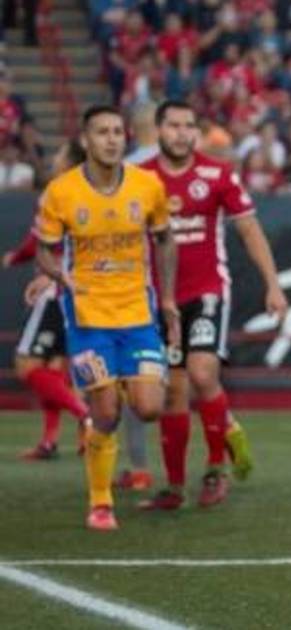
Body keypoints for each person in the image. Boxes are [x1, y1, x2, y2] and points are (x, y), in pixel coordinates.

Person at [34, 105, 181, 531]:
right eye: (102, 132)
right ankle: (101, 503)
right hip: (88, 315)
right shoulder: (62, 192)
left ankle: (118, 382)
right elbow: (44, 249)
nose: (112, 139)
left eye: (118, 132)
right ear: (86, 140)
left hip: (137, 311)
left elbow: (165, 240)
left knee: (149, 408)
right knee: (106, 414)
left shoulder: (147, 185)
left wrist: (167, 299)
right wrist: (57, 274)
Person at [138, 100, 288, 511]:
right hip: (158, 298)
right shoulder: (140, 179)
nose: (182, 133)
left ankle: (215, 470)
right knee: (172, 393)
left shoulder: (218, 174)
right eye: (173, 125)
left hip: (207, 291)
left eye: (189, 126)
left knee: (203, 374)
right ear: (159, 130)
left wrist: (273, 285)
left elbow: (249, 229)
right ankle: (174, 487)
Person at [2, 141, 90, 460]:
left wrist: (15, 258)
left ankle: (85, 416)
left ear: (69, 162)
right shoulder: (90, 191)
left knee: (27, 364)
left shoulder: (58, 191)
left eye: (60, 154)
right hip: (79, 290)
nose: (55, 159)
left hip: (57, 289)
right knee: (55, 367)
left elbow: (39, 239)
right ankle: (50, 440)